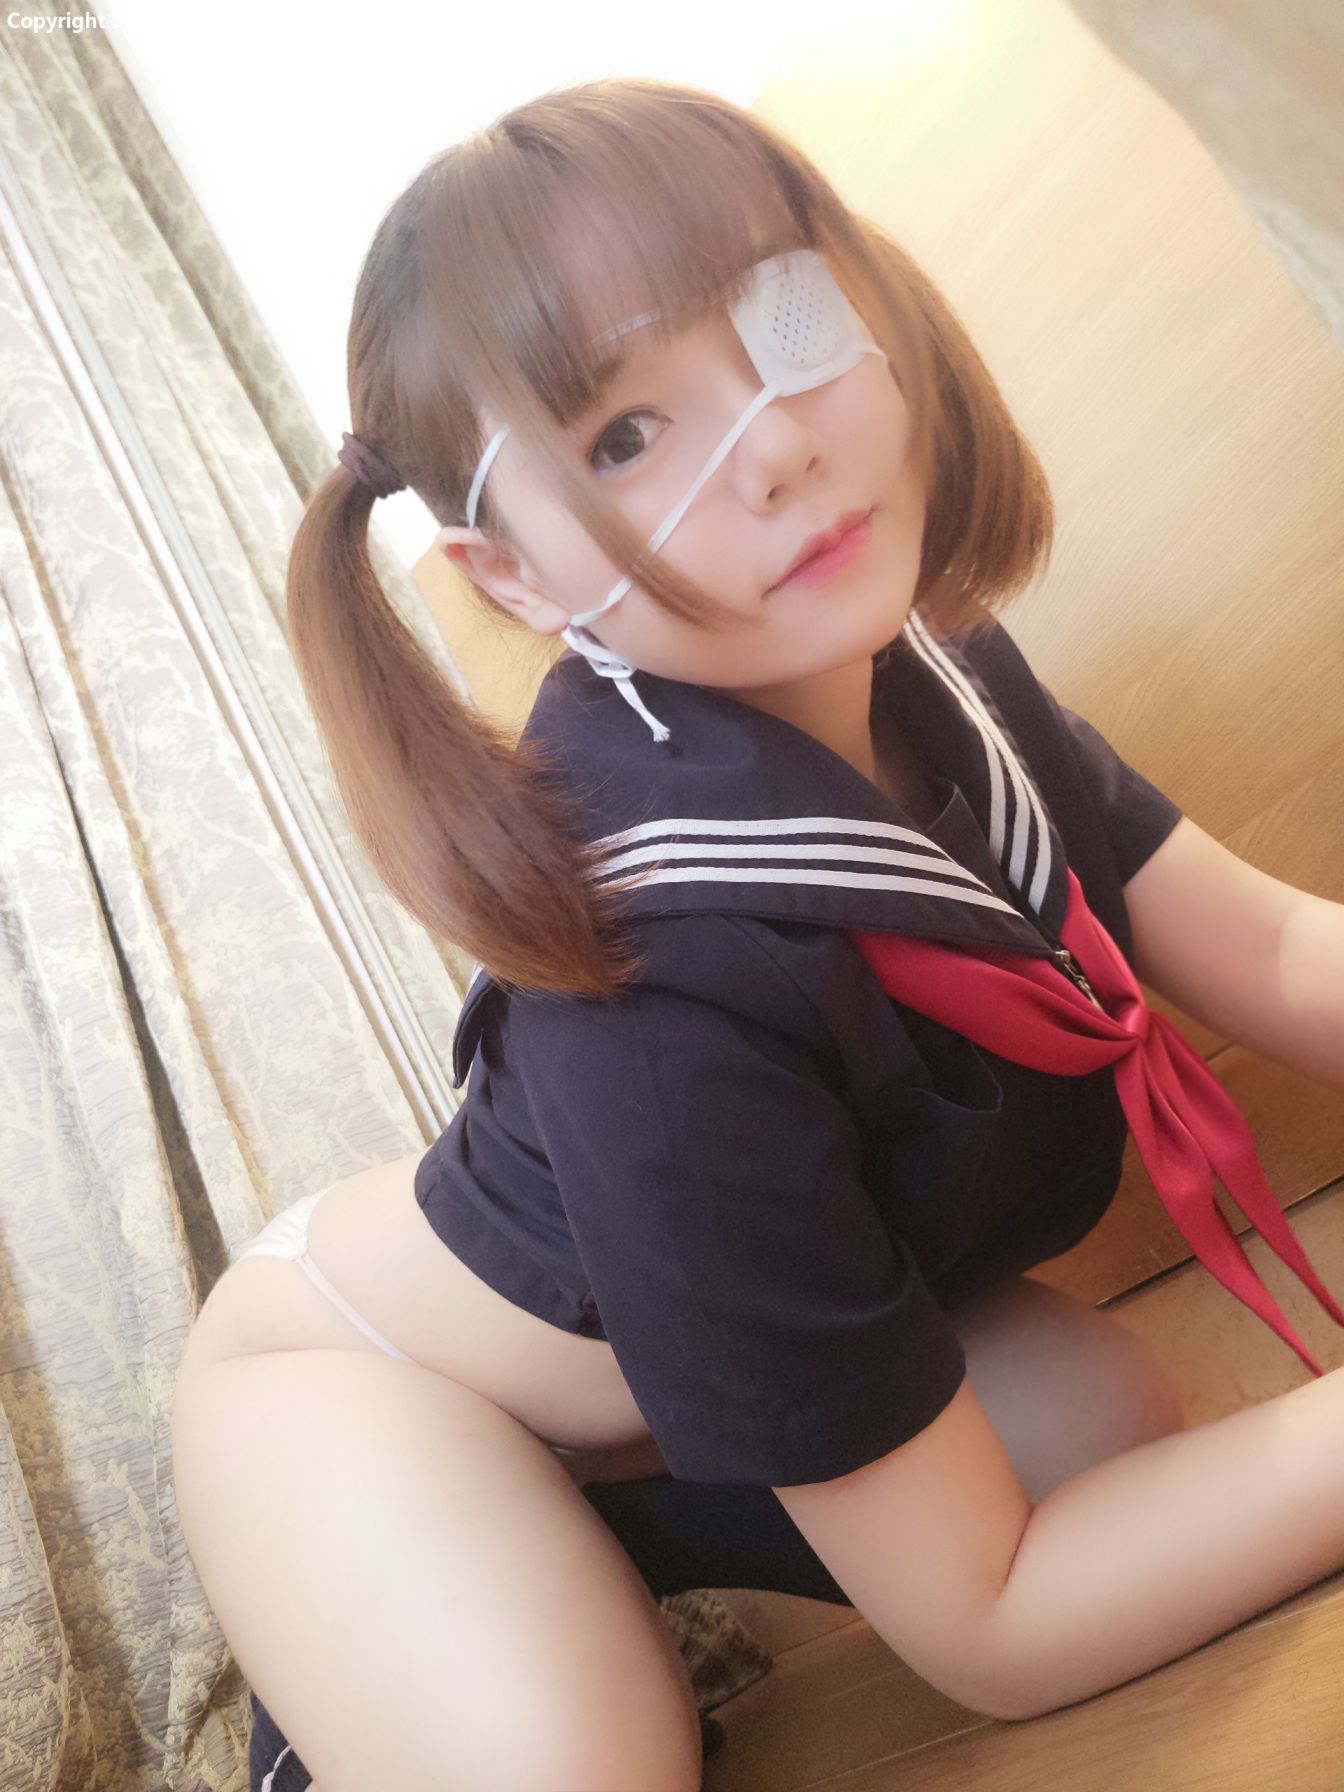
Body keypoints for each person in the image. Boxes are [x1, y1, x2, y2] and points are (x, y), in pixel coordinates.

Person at [169, 75, 1344, 1792]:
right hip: (372, 1377)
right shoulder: (657, 994)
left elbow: (1280, 953)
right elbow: (996, 1625)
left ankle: (629, 1533)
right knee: (587, 1769)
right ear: (513, 577)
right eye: (623, 436)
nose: (778, 441)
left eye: (781, 315)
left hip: (657, 1377)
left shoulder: (933, 669)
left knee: (1116, 1431)